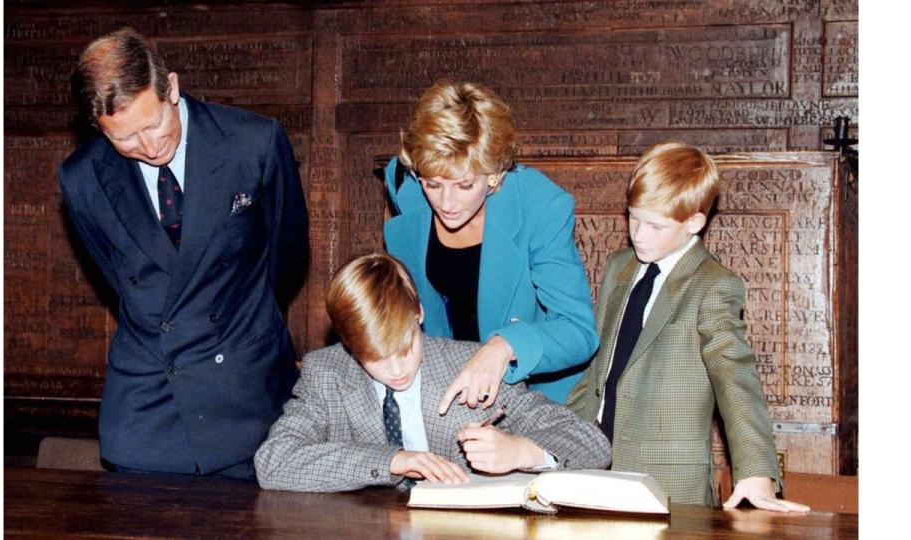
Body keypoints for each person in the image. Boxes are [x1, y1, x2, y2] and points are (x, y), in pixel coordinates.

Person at [58, 28, 308, 479]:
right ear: (99, 129)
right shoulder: (82, 177)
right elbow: (118, 276)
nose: (150, 148)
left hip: (243, 390)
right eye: (126, 139)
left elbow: (287, 257)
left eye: (153, 124)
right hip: (148, 402)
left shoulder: (253, 142)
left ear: (170, 87)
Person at [566, 143, 809, 511]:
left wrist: (756, 470)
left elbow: (734, 376)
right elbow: (597, 368)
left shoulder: (713, 284)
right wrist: (559, 437)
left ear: (694, 222)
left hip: (668, 481)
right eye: (633, 218)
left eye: (656, 225)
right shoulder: (620, 266)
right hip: (590, 462)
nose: (639, 235)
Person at [254, 253, 610, 492]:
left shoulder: (471, 367)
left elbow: (593, 444)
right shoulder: (326, 373)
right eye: (374, 357)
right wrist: (392, 460)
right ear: (349, 345)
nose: (395, 369)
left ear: (419, 313)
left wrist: (524, 452)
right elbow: (273, 462)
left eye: (405, 348)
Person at [383, 80, 598, 414]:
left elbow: (578, 331)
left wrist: (505, 346)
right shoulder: (407, 188)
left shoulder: (539, 207)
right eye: (433, 184)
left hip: (535, 396)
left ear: (495, 173)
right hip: (447, 389)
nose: (447, 202)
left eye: (465, 185)